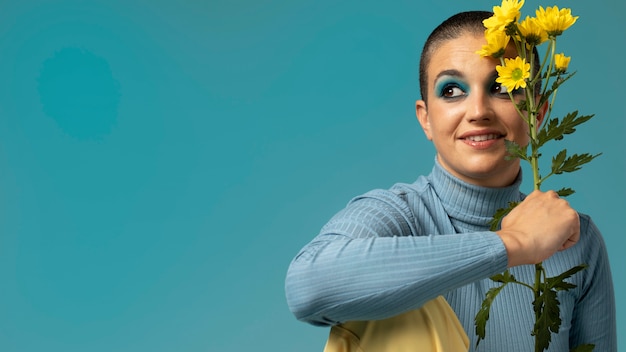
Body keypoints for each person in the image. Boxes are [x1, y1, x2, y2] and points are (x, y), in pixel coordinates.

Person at [285, 10, 617, 351]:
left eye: (502, 87)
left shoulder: (576, 238)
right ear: (425, 119)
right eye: (452, 90)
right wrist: (513, 244)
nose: (478, 111)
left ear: (538, 113)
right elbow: (308, 286)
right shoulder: (398, 216)